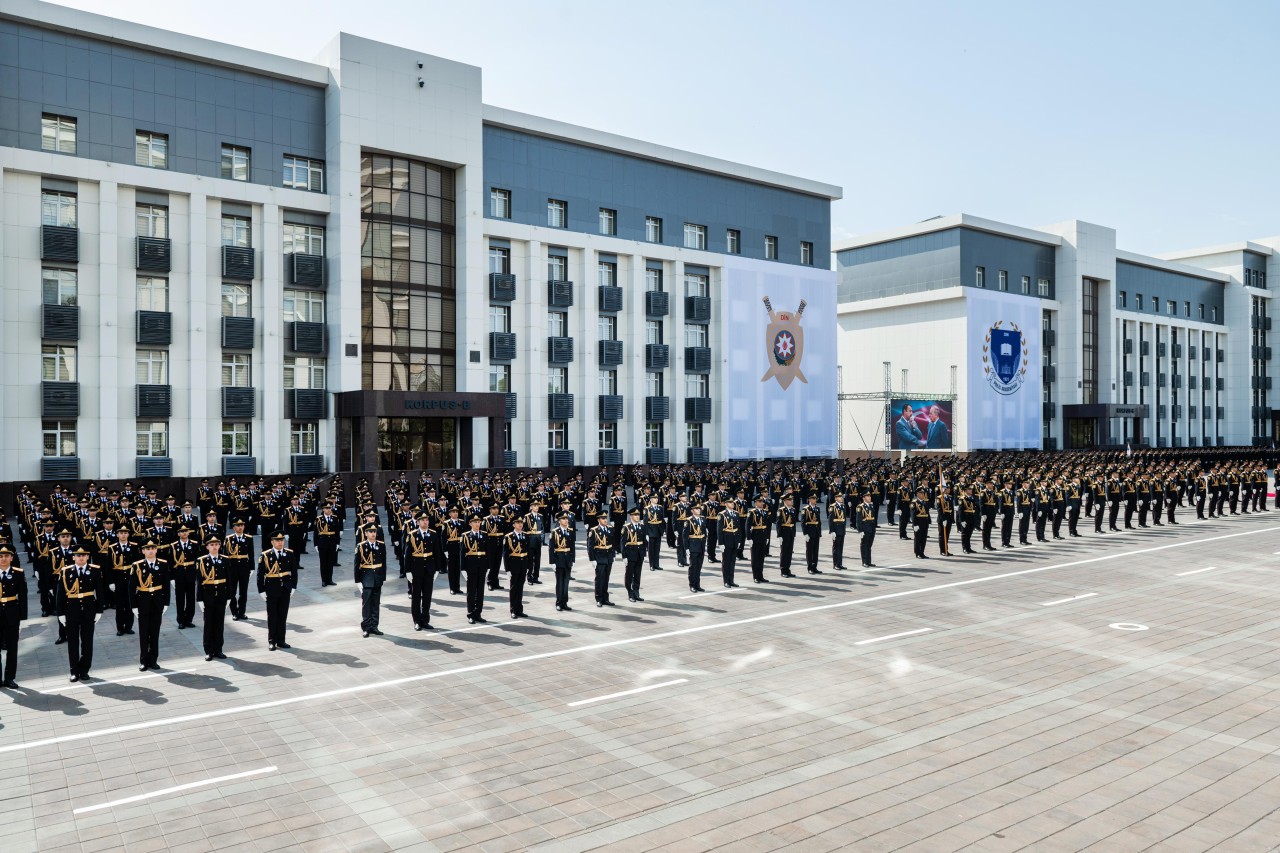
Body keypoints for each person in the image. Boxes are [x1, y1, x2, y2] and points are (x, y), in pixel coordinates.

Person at [57, 545, 103, 682]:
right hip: (71, 610)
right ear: (73, 557)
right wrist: (60, 613)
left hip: (89, 609)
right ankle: (74, 671)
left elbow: (100, 592)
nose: (81, 557)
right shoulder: (65, 572)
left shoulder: (95, 570)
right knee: (72, 642)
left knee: (87, 641)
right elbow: (60, 594)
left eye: (83, 555)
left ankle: (84, 669)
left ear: (88, 556)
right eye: (78, 555)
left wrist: (99, 610)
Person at [128, 540, 170, 671]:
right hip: (143, 602)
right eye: (147, 549)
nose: (150, 551)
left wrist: (166, 603)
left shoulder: (163, 564)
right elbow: (131, 588)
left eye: (153, 548)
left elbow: (166, 586)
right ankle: (144, 661)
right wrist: (134, 606)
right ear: (143, 551)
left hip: (157, 602)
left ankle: (153, 660)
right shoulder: (137, 565)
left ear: (156, 550)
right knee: (144, 633)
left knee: (155, 633)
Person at [257, 531, 298, 651]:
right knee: (272, 616)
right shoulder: (265, 555)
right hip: (271, 589)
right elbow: (260, 575)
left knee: (282, 615)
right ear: (272, 542)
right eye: (277, 540)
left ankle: (281, 640)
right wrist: (261, 590)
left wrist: (293, 587)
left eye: (281, 540)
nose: (280, 543)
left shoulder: (289, 553)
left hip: (285, 588)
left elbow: (294, 572)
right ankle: (272, 641)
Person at [404, 514, 442, 630]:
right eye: (422, 520)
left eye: (426, 520)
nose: (425, 522)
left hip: (429, 569)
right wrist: (407, 571)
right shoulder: (412, 535)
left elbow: (437, 553)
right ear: (418, 522)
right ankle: (417, 621)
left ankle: (425, 620)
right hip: (416, 569)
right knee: (416, 597)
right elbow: (407, 555)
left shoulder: (433, 534)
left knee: (427, 596)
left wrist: (437, 569)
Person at [196, 536, 231, 661]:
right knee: (208, 624)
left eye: (216, 544)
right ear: (207, 547)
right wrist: (199, 599)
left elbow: (229, 580)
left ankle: (218, 649)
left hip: (221, 595)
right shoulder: (201, 561)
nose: (214, 547)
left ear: (220, 546)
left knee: (219, 624)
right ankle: (208, 650)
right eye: (211, 545)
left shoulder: (225, 560)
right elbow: (199, 582)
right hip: (208, 596)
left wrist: (229, 597)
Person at [0, 545, 27, 688]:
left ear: (11, 558)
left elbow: (23, 596)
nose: (3, 559)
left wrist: (23, 617)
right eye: (0, 556)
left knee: (12, 648)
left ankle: (9, 678)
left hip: (12, 613)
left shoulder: (18, 573)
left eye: (6, 556)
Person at [354, 526, 387, 637]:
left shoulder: (381, 545)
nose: (373, 534)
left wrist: (383, 578)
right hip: (366, 577)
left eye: (374, 532)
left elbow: (384, 563)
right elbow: (356, 564)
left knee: (376, 604)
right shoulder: (361, 546)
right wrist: (358, 581)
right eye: (370, 532)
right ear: (366, 533)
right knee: (367, 604)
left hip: (377, 577)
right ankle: (366, 627)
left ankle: (374, 626)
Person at [168, 525, 200, 629]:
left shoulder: (194, 544)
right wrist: (172, 578)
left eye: (186, 531)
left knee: (191, 599)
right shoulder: (174, 546)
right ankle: (181, 620)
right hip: (179, 574)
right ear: (178, 534)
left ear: (189, 533)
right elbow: (170, 563)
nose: (184, 533)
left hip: (190, 574)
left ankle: (189, 619)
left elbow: (198, 560)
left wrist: (197, 575)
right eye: (182, 531)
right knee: (180, 599)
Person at [223, 519, 255, 622]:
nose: (240, 527)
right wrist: (224, 569)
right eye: (238, 525)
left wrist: (252, 568)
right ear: (234, 528)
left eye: (242, 525)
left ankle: (242, 612)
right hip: (232, 567)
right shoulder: (229, 539)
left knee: (243, 591)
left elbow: (251, 554)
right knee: (232, 591)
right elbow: (225, 555)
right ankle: (234, 612)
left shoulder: (248, 538)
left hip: (244, 567)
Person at [461, 516, 488, 624]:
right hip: (471, 566)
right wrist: (463, 569)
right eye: (475, 522)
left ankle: (478, 613)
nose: (477, 524)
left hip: (482, 566)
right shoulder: (466, 536)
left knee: (480, 591)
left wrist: (488, 566)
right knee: (471, 591)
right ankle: (471, 614)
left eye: (478, 522)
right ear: (470, 524)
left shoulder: (484, 534)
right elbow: (462, 553)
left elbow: (488, 552)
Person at [503, 517, 531, 618]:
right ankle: (513, 610)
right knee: (514, 588)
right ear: (513, 525)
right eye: (518, 523)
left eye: (521, 522)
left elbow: (529, 552)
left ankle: (519, 609)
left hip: (523, 565)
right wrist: (507, 569)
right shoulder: (508, 537)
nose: (520, 524)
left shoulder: (526, 535)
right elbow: (505, 555)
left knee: (520, 588)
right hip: (514, 565)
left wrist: (529, 566)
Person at [549, 513, 575, 612]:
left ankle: (565, 602)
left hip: (567, 559)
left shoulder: (570, 531)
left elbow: (572, 547)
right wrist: (552, 562)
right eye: (563, 519)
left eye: (566, 519)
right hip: (558, 559)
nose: (566, 520)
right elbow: (551, 548)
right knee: (560, 582)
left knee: (566, 582)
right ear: (559, 521)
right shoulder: (555, 532)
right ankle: (559, 603)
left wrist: (573, 559)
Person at [622, 508, 648, 601]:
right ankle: (630, 593)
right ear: (631, 516)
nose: (637, 517)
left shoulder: (642, 526)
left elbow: (644, 541)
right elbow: (623, 543)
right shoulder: (626, 527)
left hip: (639, 554)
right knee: (629, 575)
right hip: (630, 554)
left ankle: (636, 593)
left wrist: (644, 553)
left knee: (637, 574)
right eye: (635, 515)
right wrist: (624, 556)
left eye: (638, 515)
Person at [590, 515, 616, 607]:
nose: (605, 520)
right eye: (603, 519)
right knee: (599, 579)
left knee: (606, 578)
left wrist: (613, 555)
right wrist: (592, 559)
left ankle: (605, 598)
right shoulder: (594, 530)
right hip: (599, 557)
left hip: (608, 557)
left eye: (606, 518)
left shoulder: (610, 529)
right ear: (598, 520)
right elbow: (590, 546)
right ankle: (599, 598)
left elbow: (613, 543)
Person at [314, 503, 341, 587]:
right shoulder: (319, 519)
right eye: (326, 508)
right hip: (322, 542)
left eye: (329, 508)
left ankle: (330, 579)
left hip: (332, 542)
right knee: (323, 562)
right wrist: (315, 544)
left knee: (330, 562)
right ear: (323, 509)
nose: (328, 510)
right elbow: (316, 532)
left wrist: (338, 543)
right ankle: (324, 580)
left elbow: (337, 532)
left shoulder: (335, 518)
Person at [683, 504, 708, 593]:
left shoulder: (703, 518)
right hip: (693, 546)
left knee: (699, 566)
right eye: (696, 509)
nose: (698, 510)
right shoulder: (688, 520)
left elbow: (704, 532)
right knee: (693, 567)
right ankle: (692, 585)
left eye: (699, 508)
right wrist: (686, 548)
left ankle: (697, 585)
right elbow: (685, 536)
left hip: (701, 545)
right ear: (692, 511)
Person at [717, 501, 741, 588]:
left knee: (732, 562)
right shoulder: (722, 514)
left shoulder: (736, 513)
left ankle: (731, 580)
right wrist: (720, 543)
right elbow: (719, 530)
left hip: (734, 541)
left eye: (733, 502)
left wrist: (739, 540)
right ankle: (726, 581)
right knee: (726, 562)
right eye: (730, 502)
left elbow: (738, 528)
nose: (732, 504)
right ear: (726, 504)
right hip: (726, 541)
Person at [748, 497, 771, 583]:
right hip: (755, 537)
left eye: (762, 501)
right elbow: (747, 526)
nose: (762, 503)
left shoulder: (765, 512)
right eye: (760, 501)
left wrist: (767, 537)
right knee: (755, 558)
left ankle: (760, 576)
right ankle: (756, 576)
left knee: (761, 558)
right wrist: (749, 538)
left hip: (763, 537)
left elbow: (767, 526)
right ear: (755, 503)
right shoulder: (752, 512)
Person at [775, 495, 797, 578]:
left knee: (789, 552)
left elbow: (794, 523)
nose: (791, 501)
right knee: (784, 552)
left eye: (792, 499)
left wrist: (794, 533)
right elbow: (778, 524)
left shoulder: (793, 510)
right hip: (784, 533)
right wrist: (779, 535)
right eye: (790, 500)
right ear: (785, 501)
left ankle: (788, 569)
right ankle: (783, 570)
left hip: (791, 533)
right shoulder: (781, 510)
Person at [801, 494, 823, 575]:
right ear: (809, 500)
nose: (815, 500)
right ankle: (810, 567)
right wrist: (805, 533)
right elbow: (803, 522)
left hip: (816, 532)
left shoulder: (817, 508)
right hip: (809, 532)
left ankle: (815, 567)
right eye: (813, 499)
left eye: (815, 498)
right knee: (809, 551)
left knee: (815, 551)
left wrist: (819, 532)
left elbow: (819, 521)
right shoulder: (805, 509)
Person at [643, 495, 665, 572]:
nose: (656, 499)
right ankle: (651, 565)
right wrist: (646, 533)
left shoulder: (660, 507)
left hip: (658, 530)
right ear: (651, 499)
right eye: (654, 498)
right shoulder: (647, 509)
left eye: (657, 498)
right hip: (651, 531)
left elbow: (662, 520)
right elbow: (645, 522)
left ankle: (656, 564)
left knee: (657, 549)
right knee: (651, 550)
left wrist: (662, 530)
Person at [855, 493, 877, 568]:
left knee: (869, 545)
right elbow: (858, 520)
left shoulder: (871, 505)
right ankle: (864, 561)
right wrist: (860, 530)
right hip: (865, 529)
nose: (869, 497)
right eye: (868, 496)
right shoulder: (860, 507)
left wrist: (874, 528)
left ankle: (869, 561)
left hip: (871, 528)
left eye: (870, 496)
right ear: (864, 498)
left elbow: (873, 518)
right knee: (864, 545)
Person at [910, 488, 932, 559]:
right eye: (921, 493)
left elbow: (927, 513)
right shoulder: (914, 503)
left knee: (923, 539)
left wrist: (929, 521)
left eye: (923, 493)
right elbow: (913, 515)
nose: (923, 495)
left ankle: (922, 552)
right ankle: (917, 553)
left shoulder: (925, 502)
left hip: (925, 523)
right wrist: (914, 524)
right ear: (917, 494)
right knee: (918, 539)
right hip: (918, 523)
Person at [827, 492, 847, 570]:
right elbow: (830, 520)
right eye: (839, 497)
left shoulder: (843, 506)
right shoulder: (833, 507)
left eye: (841, 497)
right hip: (836, 530)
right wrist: (832, 531)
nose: (841, 498)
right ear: (835, 498)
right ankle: (835, 564)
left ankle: (840, 563)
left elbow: (844, 519)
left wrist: (844, 529)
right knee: (836, 548)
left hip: (841, 529)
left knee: (841, 547)